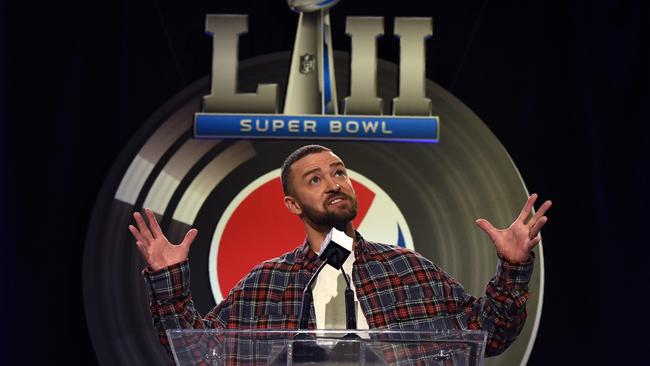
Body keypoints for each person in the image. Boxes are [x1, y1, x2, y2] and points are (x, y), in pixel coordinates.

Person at [128, 144, 551, 359]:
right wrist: (169, 284)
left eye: (339, 173)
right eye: (314, 180)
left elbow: (490, 334)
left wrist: (513, 266)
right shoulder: (267, 284)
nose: (334, 183)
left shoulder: (408, 270)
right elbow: (202, 353)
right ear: (293, 205)